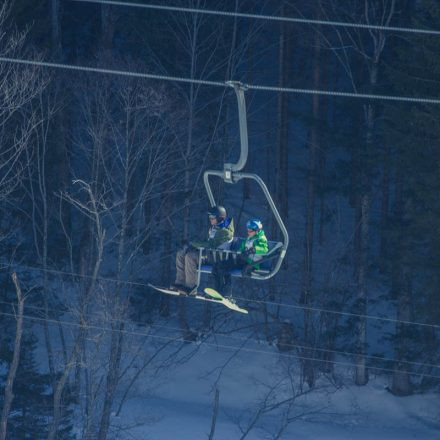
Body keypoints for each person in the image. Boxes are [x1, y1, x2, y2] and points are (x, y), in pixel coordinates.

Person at [171, 205, 234, 295]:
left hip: (218, 258)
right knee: (181, 253)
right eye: (209, 217)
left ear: (220, 218)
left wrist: (193, 244)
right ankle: (180, 283)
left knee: (190, 256)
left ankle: (191, 287)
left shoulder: (225, 232)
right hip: (209, 254)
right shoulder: (214, 228)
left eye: (212, 217)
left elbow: (211, 244)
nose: (210, 219)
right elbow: (207, 242)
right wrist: (192, 246)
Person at [213, 218, 268, 294]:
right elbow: (242, 246)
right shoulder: (250, 237)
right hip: (243, 260)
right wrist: (239, 251)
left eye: (250, 231)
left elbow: (264, 249)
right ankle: (218, 289)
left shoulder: (261, 238)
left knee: (225, 268)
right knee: (218, 266)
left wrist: (253, 250)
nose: (248, 232)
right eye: (247, 230)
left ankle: (226, 292)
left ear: (257, 230)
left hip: (252, 264)